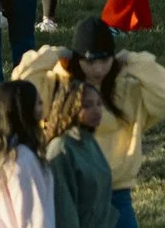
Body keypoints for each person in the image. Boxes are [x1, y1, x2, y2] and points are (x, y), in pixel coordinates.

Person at [15, 17, 165, 228]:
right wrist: (54, 54)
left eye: (105, 60)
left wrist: (133, 61)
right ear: (77, 59)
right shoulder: (57, 86)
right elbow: (21, 86)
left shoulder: (126, 90)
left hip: (115, 193)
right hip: (68, 192)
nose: (99, 69)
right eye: (90, 61)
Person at [0, 80, 53, 228]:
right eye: (38, 104)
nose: (43, 110)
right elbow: (33, 218)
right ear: (25, 111)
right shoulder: (22, 161)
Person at [43, 74, 111, 228]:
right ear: (70, 108)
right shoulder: (61, 149)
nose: (96, 110)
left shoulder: (90, 142)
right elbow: (63, 208)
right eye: (87, 105)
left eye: (99, 104)